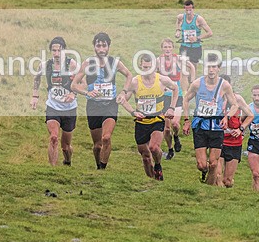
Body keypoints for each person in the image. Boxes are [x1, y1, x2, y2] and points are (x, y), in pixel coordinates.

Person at [71, 32, 132, 170]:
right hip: (93, 107)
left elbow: (129, 75)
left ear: (108, 47)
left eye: (104, 45)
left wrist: (123, 92)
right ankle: (98, 165)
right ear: (94, 47)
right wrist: (87, 92)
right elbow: (73, 85)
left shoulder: (115, 62)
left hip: (110, 105)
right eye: (98, 45)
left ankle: (102, 169)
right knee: (98, 145)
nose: (101, 49)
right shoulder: (88, 63)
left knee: (106, 138)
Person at [119, 54, 179, 181]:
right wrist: (132, 112)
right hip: (141, 122)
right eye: (144, 67)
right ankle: (153, 181)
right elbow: (124, 99)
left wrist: (171, 108)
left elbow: (175, 88)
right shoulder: (135, 82)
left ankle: (158, 165)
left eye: (149, 67)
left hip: (157, 120)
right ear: (140, 66)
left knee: (153, 147)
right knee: (146, 157)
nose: (146, 70)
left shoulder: (162, 80)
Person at [182, 53, 239, 186]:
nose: (211, 70)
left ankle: (208, 189)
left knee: (214, 163)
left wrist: (226, 117)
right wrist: (186, 120)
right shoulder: (197, 84)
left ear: (219, 68)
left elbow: (235, 105)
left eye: (214, 67)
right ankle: (204, 173)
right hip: (200, 125)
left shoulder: (224, 85)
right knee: (202, 165)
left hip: (216, 126)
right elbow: (186, 99)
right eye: (209, 67)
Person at [30, 37, 78, 166]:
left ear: (64, 50)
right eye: (54, 50)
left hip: (69, 109)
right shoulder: (46, 65)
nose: (56, 53)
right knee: (53, 138)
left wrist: (73, 93)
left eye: (59, 50)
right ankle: (53, 169)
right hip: (52, 106)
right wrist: (35, 96)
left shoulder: (71, 64)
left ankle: (67, 160)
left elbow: (82, 82)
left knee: (66, 146)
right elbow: (37, 78)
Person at [157, 38, 196, 160]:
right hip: (164, 97)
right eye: (165, 47)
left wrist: (192, 81)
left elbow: (191, 67)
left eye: (169, 47)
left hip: (177, 95)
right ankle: (170, 149)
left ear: (172, 48)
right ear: (162, 48)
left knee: (174, 124)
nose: (167, 49)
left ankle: (176, 136)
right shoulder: (158, 61)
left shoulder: (178, 59)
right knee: (166, 128)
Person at [217, 75, 254, 188]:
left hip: (234, 142)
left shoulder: (237, 99)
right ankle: (216, 200)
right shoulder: (214, 99)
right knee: (217, 175)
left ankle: (227, 192)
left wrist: (241, 129)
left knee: (227, 181)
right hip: (218, 140)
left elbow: (250, 115)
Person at [175, 0, 213, 66]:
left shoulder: (199, 19)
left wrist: (197, 38)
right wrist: (178, 31)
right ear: (184, 9)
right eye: (186, 9)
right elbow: (178, 21)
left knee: (193, 67)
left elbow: (210, 33)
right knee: (183, 68)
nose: (188, 11)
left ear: (193, 8)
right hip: (184, 46)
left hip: (195, 48)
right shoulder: (181, 17)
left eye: (190, 9)